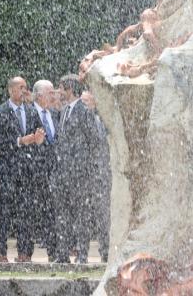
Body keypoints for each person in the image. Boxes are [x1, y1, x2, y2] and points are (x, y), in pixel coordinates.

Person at [0, 76, 46, 263]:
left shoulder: (31, 111)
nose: (24, 90)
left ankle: (24, 252)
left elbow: (40, 133)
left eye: (25, 87)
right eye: (20, 87)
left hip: (28, 170)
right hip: (8, 170)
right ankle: (2, 252)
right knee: (5, 212)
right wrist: (20, 141)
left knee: (27, 212)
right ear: (11, 90)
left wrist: (39, 139)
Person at [55, 74, 100, 264]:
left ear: (70, 90)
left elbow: (94, 140)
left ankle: (82, 255)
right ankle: (62, 254)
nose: (59, 92)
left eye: (61, 88)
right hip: (63, 172)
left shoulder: (84, 111)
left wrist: (84, 165)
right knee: (62, 214)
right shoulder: (64, 111)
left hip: (80, 173)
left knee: (82, 215)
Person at [81, 90, 111, 263]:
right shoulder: (79, 120)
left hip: (103, 173)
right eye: (82, 102)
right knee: (83, 215)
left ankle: (105, 251)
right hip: (84, 173)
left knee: (103, 216)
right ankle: (82, 253)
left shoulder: (104, 119)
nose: (84, 105)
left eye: (87, 102)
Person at [32, 79, 61, 261]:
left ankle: (54, 251)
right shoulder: (28, 112)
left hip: (54, 171)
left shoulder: (55, 114)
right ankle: (25, 253)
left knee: (53, 211)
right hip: (33, 171)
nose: (54, 96)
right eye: (50, 93)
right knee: (35, 212)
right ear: (39, 95)